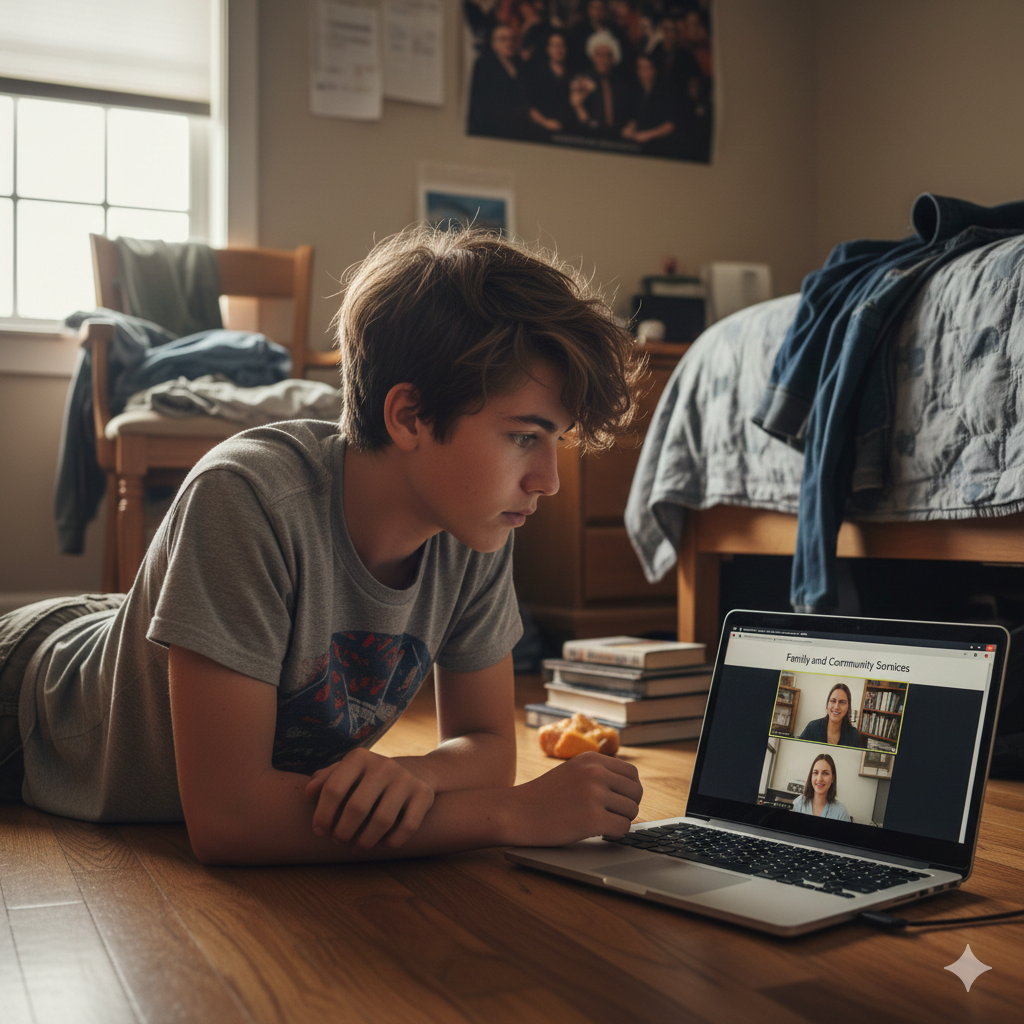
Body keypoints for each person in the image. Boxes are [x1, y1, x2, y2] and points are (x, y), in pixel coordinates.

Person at [0, 227, 645, 865]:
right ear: (409, 416)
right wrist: (511, 815)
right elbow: (230, 820)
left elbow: (486, 746)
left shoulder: (476, 525)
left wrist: (420, 775)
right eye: (523, 437)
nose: (549, 482)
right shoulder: (245, 498)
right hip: (28, 708)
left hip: (130, 631)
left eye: (554, 441)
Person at [798, 682, 863, 747]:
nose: (836, 707)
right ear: (827, 705)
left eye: (842, 702)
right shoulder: (812, 727)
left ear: (848, 708)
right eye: (833, 701)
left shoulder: (853, 734)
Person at [791, 753, 851, 821]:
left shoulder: (841, 813)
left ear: (833, 778)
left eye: (825, 773)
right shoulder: (799, 803)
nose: (819, 779)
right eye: (816, 773)